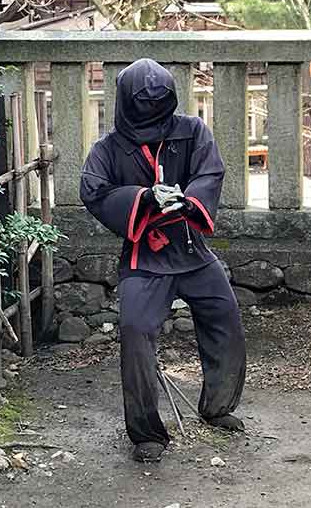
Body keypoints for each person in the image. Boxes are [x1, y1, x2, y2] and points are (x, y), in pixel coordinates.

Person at [80, 58, 247, 463]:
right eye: (144, 105)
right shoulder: (108, 148)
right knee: (135, 329)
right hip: (145, 256)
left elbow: (210, 173)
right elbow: (93, 190)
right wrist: (143, 197)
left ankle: (218, 406)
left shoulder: (192, 131)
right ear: (124, 102)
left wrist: (188, 202)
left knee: (225, 318)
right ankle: (147, 432)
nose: (153, 110)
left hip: (191, 249)